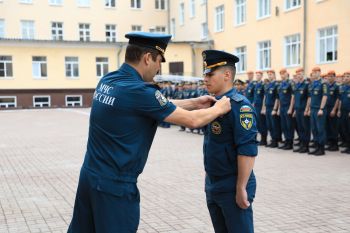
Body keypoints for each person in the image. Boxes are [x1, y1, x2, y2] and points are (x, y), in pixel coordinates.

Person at [67, 32, 231, 233]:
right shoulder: (139, 91)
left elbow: (149, 105)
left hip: (90, 177)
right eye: (159, 61)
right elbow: (193, 121)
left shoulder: (109, 80)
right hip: (115, 187)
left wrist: (194, 103)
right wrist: (219, 108)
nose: (158, 68)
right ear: (147, 58)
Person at [202, 50, 258, 233]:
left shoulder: (240, 107)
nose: (205, 79)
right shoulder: (212, 104)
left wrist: (241, 187)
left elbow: (247, 150)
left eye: (210, 74)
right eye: (205, 74)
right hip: (214, 183)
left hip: (233, 184)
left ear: (227, 75)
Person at [306, 66, 329, 155]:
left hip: (319, 110)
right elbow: (311, 97)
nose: (314, 74)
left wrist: (321, 108)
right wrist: (308, 109)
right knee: (314, 129)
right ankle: (316, 147)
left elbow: (325, 96)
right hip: (312, 109)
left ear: (319, 73)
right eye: (313, 72)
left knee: (320, 129)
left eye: (316, 72)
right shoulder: (312, 84)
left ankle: (321, 148)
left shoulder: (323, 84)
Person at [277, 68, 294, 150]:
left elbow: (292, 97)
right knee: (284, 125)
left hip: (288, 107)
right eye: (281, 74)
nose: (282, 75)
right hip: (282, 107)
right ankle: (286, 141)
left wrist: (291, 108)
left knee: (289, 125)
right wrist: (279, 108)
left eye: (283, 73)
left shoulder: (290, 83)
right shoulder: (281, 84)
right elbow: (280, 98)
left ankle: (290, 142)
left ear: (287, 74)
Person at [253, 71, 268, 145]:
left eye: (259, 75)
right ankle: (258, 139)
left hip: (260, 106)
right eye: (256, 75)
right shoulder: (256, 85)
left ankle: (264, 140)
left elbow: (264, 97)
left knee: (262, 123)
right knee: (256, 123)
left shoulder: (263, 85)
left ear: (261, 76)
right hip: (256, 106)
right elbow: (255, 96)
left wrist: (263, 108)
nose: (257, 77)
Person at [337, 71, 350, 154]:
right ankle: (348, 146)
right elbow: (340, 100)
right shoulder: (343, 87)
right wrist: (338, 110)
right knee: (345, 129)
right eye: (345, 76)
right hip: (343, 111)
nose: (346, 78)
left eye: (348, 76)